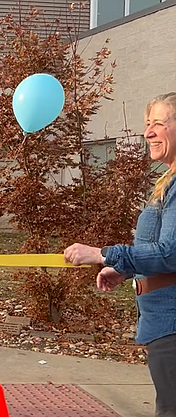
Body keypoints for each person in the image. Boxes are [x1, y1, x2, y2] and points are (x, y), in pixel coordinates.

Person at [64, 92, 176, 417]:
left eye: (158, 123)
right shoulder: (168, 181)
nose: (148, 132)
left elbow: (170, 253)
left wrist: (103, 254)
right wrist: (126, 270)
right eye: (147, 124)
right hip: (161, 323)